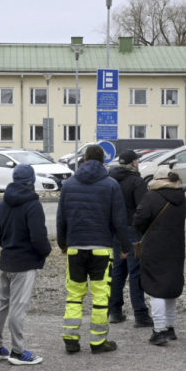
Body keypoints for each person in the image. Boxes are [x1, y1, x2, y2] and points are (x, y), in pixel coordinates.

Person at [56, 144, 131, 355]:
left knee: (74, 294)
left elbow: (61, 218)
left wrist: (63, 244)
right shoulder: (111, 184)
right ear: (104, 161)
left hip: (75, 248)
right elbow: (119, 220)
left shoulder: (69, 184)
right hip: (101, 249)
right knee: (100, 296)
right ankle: (98, 342)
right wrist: (125, 247)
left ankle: (70, 338)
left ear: (85, 158)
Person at [0, 164, 51, 366]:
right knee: (18, 308)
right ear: (31, 182)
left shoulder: (1, 204)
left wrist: (7, 246)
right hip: (24, 264)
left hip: (6, 260)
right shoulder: (33, 205)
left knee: (2, 305)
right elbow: (39, 237)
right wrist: (45, 252)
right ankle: (17, 351)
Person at [133, 166, 186, 346]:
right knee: (170, 288)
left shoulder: (151, 197)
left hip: (155, 248)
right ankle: (170, 327)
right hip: (176, 247)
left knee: (155, 288)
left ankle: (159, 330)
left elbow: (138, 221)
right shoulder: (181, 197)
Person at [108, 149, 153, 327]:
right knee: (135, 272)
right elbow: (142, 209)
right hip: (133, 231)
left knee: (118, 272)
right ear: (134, 163)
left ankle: (116, 312)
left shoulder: (110, 180)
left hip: (115, 231)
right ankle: (140, 315)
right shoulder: (136, 181)